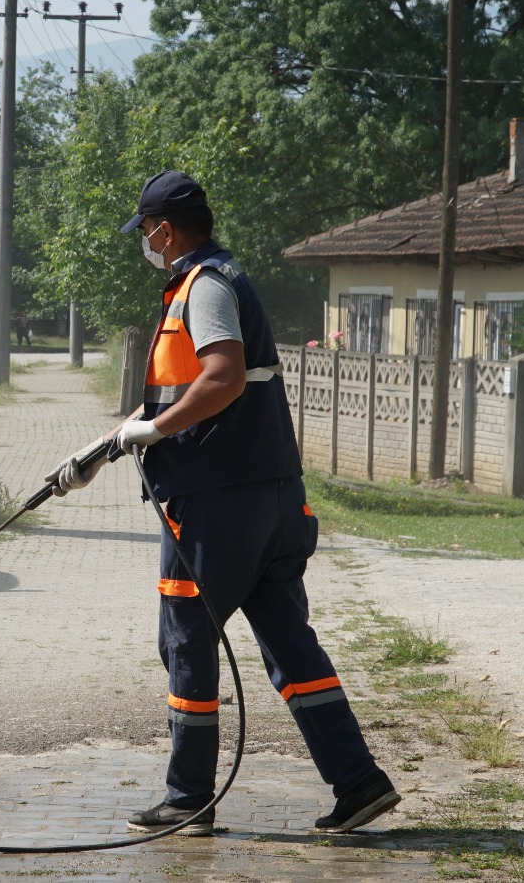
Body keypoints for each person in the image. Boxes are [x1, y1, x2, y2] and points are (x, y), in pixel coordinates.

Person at [45, 171, 399, 837]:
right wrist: (104, 448)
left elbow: (223, 375)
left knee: (187, 642)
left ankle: (188, 799)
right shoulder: (221, 279)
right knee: (292, 646)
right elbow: (174, 398)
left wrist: (152, 432)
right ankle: (359, 783)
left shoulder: (203, 286)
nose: (145, 243)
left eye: (146, 232)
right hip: (272, 498)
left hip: (215, 506)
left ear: (166, 230)